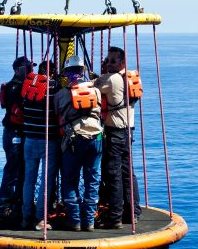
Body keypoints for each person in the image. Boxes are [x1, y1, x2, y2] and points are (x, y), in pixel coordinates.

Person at [55, 55, 103, 231]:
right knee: (92, 179)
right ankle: (89, 220)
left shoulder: (61, 94)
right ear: (83, 71)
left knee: (69, 179)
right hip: (96, 138)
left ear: (67, 73)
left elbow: (56, 114)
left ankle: (74, 220)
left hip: (73, 140)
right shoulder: (96, 91)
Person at [95, 46, 142, 228]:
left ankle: (114, 217)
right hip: (129, 131)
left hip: (114, 133)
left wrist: (99, 74)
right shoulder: (129, 78)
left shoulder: (112, 79)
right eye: (108, 60)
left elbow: (94, 86)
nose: (108, 63)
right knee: (128, 174)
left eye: (112, 61)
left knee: (112, 174)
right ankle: (133, 213)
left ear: (122, 62)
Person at [20, 61, 60, 230]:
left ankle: (26, 216)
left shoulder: (27, 89)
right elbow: (59, 110)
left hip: (29, 139)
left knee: (29, 179)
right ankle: (41, 218)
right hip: (48, 140)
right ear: (52, 73)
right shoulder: (54, 89)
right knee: (46, 181)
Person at [0, 55, 30, 223]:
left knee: (21, 166)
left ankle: (17, 199)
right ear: (17, 70)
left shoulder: (20, 86)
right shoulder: (13, 87)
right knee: (13, 166)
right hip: (13, 132)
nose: (30, 69)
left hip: (19, 131)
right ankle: (5, 202)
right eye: (27, 67)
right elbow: (19, 103)